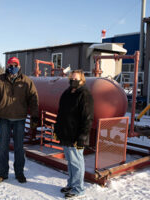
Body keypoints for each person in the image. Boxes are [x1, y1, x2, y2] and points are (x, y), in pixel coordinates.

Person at [0, 57, 39, 183]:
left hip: (20, 119)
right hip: (4, 119)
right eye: (10, 65)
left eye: (15, 65)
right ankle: (2, 173)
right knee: (3, 147)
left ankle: (19, 173)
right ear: (7, 66)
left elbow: (34, 100)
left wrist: (35, 116)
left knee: (19, 148)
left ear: (19, 66)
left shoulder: (26, 81)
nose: (13, 67)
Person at [54, 70, 94, 199]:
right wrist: (57, 130)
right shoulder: (67, 93)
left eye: (76, 78)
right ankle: (71, 184)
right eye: (71, 78)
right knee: (70, 162)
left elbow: (87, 118)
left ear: (82, 80)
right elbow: (61, 114)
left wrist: (82, 137)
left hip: (76, 135)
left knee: (77, 163)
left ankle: (78, 189)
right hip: (66, 133)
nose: (73, 80)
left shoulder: (84, 94)